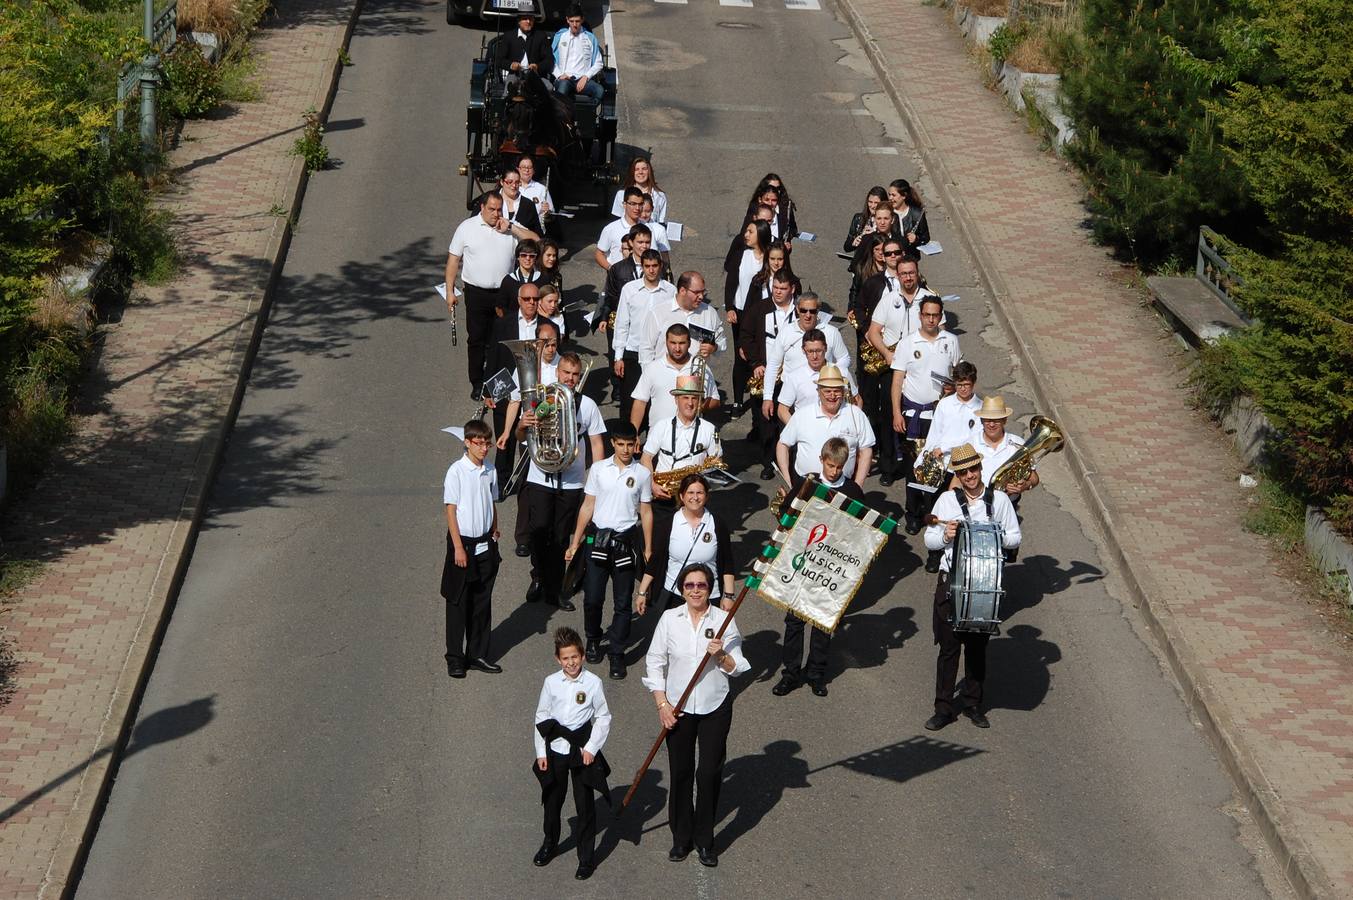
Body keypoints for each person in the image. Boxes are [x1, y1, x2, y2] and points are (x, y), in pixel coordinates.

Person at [642, 562, 750, 867]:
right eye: (689, 586)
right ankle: (681, 838)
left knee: (708, 774)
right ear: (681, 589)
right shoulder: (669, 619)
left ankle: (705, 841)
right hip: (677, 707)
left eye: (701, 585)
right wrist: (662, 705)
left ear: (710, 589)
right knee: (681, 773)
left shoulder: (724, 620)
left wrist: (721, 654)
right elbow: (654, 663)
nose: (695, 591)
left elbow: (738, 667)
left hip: (714, 706)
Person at [922, 443, 1020, 731]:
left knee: (977, 648)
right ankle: (943, 708)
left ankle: (973, 704)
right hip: (951, 580)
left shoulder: (999, 501)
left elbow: (1015, 537)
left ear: (980, 468)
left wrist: (994, 534)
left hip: (983, 582)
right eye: (963, 471)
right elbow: (929, 540)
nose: (970, 475)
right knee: (949, 648)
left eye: (974, 469)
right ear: (958, 474)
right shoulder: (946, 502)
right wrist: (946, 537)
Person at [772, 437, 863, 698]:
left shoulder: (854, 492)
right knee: (794, 621)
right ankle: (790, 674)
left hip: (832, 566)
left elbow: (859, 533)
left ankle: (816, 674)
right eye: (830, 465)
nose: (834, 471)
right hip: (803, 562)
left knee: (823, 622)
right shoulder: (807, 484)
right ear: (822, 460)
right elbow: (787, 514)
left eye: (839, 467)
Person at [517, 352, 606, 610]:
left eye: (575, 374)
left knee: (559, 537)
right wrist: (523, 424)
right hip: (540, 476)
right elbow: (520, 437)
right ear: (558, 373)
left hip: (571, 481)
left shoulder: (587, 405)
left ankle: (554, 589)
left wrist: (598, 480)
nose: (570, 378)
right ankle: (538, 577)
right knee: (538, 530)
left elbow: (597, 442)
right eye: (566, 373)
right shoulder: (541, 400)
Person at [566, 421, 654, 679]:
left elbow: (646, 511)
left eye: (630, 444)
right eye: (621, 444)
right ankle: (592, 638)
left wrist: (648, 548)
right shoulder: (598, 469)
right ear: (613, 443)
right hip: (598, 540)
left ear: (635, 445)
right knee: (592, 597)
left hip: (625, 541)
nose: (626, 449)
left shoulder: (642, 474)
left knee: (622, 602)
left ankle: (617, 653)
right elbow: (587, 506)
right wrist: (575, 542)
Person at [532, 626, 611, 880]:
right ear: (558, 659)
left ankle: (586, 859)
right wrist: (541, 753)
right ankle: (550, 843)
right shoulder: (551, 683)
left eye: (574, 657)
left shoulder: (593, 683)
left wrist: (591, 748)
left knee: (585, 805)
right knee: (552, 801)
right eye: (565, 658)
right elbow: (542, 717)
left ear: (583, 656)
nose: (571, 663)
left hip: (580, 751)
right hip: (556, 750)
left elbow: (603, 717)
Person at [445, 191, 537, 397]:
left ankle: (500, 382)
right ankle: (477, 383)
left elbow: (536, 241)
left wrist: (512, 227)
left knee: (503, 338)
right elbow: (453, 260)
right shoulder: (466, 228)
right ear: (482, 208)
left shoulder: (509, 227)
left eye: (499, 209)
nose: (496, 214)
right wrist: (450, 292)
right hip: (476, 293)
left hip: (504, 293)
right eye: (492, 209)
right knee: (477, 339)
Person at [890, 297, 961, 532]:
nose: (931, 319)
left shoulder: (950, 341)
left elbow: (959, 373)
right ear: (920, 315)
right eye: (927, 315)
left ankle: (933, 514)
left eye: (936, 315)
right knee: (913, 467)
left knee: (938, 466)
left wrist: (953, 387)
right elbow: (897, 380)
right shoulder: (908, 343)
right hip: (912, 415)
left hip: (939, 416)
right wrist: (896, 413)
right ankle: (912, 512)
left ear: (941, 317)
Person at [869, 251, 940, 487]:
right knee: (891, 413)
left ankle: (921, 463)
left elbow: (941, 334)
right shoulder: (889, 299)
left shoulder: (930, 299)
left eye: (911, 273)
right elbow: (873, 331)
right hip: (894, 367)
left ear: (917, 274)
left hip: (921, 369)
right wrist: (887, 354)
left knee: (924, 414)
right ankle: (889, 465)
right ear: (897, 276)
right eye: (903, 274)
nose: (908, 278)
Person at [440, 419, 502, 678]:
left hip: (486, 544)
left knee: (481, 602)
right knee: (458, 602)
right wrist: (458, 547)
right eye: (479, 443)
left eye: (487, 443)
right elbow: (450, 510)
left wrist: (495, 528)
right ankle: (455, 657)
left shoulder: (490, 469)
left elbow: (492, 500)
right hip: (463, 544)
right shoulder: (457, 470)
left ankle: (477, 653)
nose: (484, 448)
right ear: (467, 443)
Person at [636, 474, 736, 612]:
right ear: (682, 496)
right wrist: (642, 592)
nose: (695, 497)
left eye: (700, 493)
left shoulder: (717, 524)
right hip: (675, 596)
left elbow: (727, 563)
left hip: (709, 596)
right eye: (690, 492)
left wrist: (729, 596)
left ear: (706, 497)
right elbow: (656, 559)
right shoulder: (668, 523)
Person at [777, 365, 874, 490]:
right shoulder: (802, 414)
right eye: (827, 391)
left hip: (843, 486)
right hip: (805, 485)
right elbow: (783, 444)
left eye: (837, 391)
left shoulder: (857, 414)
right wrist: (787, 480)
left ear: (844, 391)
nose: (832, 396)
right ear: (818, 391)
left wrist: (858, 486)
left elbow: (866, 451)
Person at [742, 270, 798, 479]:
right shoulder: (760, 308)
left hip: (792, 373)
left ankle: (791, 460)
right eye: (775, 288)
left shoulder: (801, 310)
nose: (778, 293)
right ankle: (768, 462)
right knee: (766, 420)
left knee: (790, 417)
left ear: (792, 289)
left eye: (783, 289)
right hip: (766, 371)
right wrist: (756, 363)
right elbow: (746, 337)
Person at [614, 249, 677, 421]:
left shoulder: (671, 291)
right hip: (633, 352)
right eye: (647, 266)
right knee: (629, 401)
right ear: (642, 267)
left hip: (659, 354)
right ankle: (627, 442)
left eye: (654, 266)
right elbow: (621, 323)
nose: (651, 270)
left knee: (656, 401)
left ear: (660, 266)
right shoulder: (630, 289)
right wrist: (618, 356)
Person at [641, 375, 722, 501]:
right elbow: (646, 458)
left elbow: (716, 460)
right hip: (663, 494)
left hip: (693, 498)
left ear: (699, 401)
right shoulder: (662, 426)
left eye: (694, 398)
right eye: (685, 398)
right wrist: (652, 484)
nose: (690, 403)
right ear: (676, 400)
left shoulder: (709, 429)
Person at [630, 324, 718, 434]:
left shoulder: (699, 365)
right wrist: (633, 434)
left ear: (689, 343)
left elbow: (715, 400)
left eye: (682, 343)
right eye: (673, 343)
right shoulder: (653, 368)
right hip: (658, 436)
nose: (677, 348)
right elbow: (640, 401)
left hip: (690, 435)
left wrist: (699, 405)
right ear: (666, 343)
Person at [638, 271, 726, 367]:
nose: (701, 296)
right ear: (682, 291)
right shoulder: (658, 312)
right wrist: (649, 376)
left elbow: (721, 342)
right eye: (696, 292)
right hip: (666, 377)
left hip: (696, 378)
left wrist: (714, 347)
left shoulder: (709, 313)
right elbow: (646, 349)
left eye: (703, 292)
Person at [765, 292, 852, 388]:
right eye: (803, 310)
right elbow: (773, 364)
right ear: (797, 309)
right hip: (790, 391)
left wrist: (832, 373)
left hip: (822, 390)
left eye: (812, 311)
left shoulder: (832, 332)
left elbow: (844, 358)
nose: (808, 315)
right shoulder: (786, 332)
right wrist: (767, 398)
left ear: (818, 310)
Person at [970, 395, 1039, 504]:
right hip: (976, 503)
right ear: (981, 420)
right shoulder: (971, 443)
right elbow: (958, 478)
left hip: (1008, 504)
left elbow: (1034, 478)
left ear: (1004, 420)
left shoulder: (1018, 444)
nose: (991, 424)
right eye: (988, 420)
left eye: (996, 420)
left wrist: (1025, 485)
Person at [775, 330, 859, 416]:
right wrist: (796, 427)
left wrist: (853, 423)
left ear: (825, 348)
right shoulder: (794, 377)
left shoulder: (842, 372)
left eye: (818, 351)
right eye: (810, 351)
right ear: (803, 350)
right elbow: (782, 410)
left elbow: (857, 400)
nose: (815, 356)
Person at [550, 4, 604, 102]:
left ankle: (587, 114)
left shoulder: (590, 38)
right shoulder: (560, 37)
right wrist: (559, 75)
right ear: (567, 20)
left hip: (583, 80)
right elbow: (550, 59)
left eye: (577, 21)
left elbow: (598, 63)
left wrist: (586, 77)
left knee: (599, 90)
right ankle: (560, 115)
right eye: (571, 21)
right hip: (564, 79)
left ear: (582, 20)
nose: (574, 24)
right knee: (563, 86)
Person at [595, 187, 645, 269]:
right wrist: (611, 270)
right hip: (618, 279)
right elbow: (599, 254)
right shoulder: (611, 228)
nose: (637, 208)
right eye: (633, 204)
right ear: (624, 205)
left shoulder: (648, 228)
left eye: (640, 204)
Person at [494, 11, 552, 78]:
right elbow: (499, 60)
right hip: (515, 75)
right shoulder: (509, 36)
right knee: (510, 87)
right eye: (525, 19)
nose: (528, 21)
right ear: (519, 21)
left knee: (548, 87)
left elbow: (549, 60)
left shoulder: (541, 36)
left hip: (536, 75)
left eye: (531, 19)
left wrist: (537, 66)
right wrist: (511, 65)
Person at [611, 156, 668, 223]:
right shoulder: (621, 194)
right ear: (632, 172)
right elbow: (617, 221)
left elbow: (661, 222)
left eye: (644, 169)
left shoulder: (660, 196)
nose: (640, 172)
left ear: (649, 171)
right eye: (637, 169)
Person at [495, 166, 544, 238]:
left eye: (517, 182)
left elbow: (537, 235)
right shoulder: (490, 199)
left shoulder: (528, 205)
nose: (514, 185)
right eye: (509, 182)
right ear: (502, 182)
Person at [498, 239, 542, 315]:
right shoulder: (508, 280)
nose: (528, 259)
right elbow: (500, 307)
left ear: (536, 258)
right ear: (518, 257)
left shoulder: (542, 278)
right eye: (523, 255)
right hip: (513, 324)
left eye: (532, 256)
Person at [888, 178, 930, 253]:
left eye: (893, 195)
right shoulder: (887, 212)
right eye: (889, 195)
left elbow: (925, 238)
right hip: (891, 256)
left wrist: (916, 239)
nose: (890, 198)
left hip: (910, 259)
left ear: (904, 196)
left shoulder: (917, 214)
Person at [843, 186, 888, 255]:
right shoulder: (859, 219)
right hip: (862, 261)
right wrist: (855, 242)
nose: (872, 206)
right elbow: (846, 247)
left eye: (876, 203)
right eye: (870, 202)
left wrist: (875, 234)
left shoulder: (890, 220)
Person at [517, 155, 555, 223]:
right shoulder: (512, 187)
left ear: (533, 170)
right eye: (523, 167)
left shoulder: (542, 189)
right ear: (518, 169)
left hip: (535, 230)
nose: (526, 170)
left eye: (530, 167)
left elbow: (551, 217)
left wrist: (547, 213)